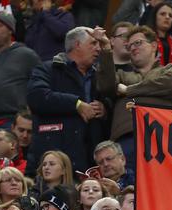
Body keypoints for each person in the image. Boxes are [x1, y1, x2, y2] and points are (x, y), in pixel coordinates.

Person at [27, 26, 111, 176]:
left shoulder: (99, 75)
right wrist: (76, 104)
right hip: (54, 157)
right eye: (93, 43)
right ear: (77, 44)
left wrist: (104, 109)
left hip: (88, 162)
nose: (98, 49)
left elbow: (111, 98)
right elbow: (36, 96)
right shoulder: (48, 69)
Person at [104, 24, 172, 163]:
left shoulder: (171, 69)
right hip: (128, 136)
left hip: (164, 136)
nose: (133, 48)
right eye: (130, 46)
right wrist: (106, 50)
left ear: (154, 45)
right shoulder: (121, 74)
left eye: (138, 43)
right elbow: (106, 86)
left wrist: (128, 90)